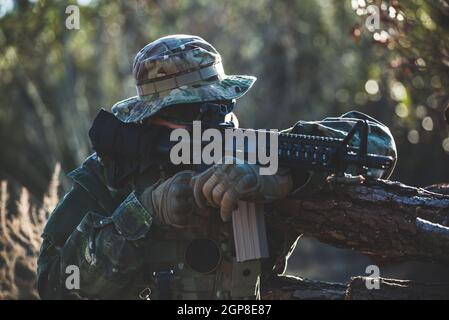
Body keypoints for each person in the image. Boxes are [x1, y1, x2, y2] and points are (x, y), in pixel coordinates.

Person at [37, 34, 397, 300]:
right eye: (193, 112)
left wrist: (279, 177)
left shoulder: (250, 150)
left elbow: (377, 146)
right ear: (152, 120)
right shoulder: (112, 174)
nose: (214, 122)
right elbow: (55, 286)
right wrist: (144, 210)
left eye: (219, 107)